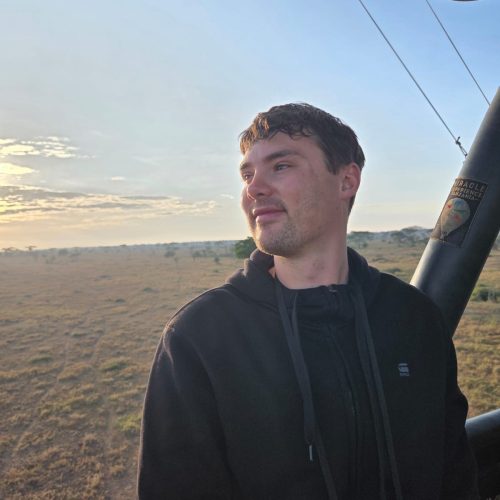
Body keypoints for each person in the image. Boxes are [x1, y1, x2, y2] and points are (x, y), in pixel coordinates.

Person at [138, 103, 478, 499]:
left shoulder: (413, 318)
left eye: (280, 166)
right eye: (247, 174)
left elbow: (455, 473)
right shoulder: (199, 338)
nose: (253, 188)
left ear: (346, 181)